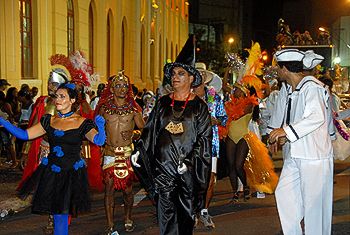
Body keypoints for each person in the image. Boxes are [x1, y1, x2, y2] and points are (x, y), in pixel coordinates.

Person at [131, 35, 212, 235]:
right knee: (165, 215)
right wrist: (140, 151)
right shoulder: (163, 102)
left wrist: (190, 162)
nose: (175, 77)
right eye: (174, 73)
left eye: (181, 73)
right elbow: (150, 130)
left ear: (191, 78)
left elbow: (204, 140)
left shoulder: (199, 107)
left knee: (184, 217)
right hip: (163, 169)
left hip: (186, 172)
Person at [0, 82, 106, 235]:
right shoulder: (48, 120)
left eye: (62, 96)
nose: (57, 99)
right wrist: (4, 123)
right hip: (52, 172)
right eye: (57, 96)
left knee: (62, 214)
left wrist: (101, 127)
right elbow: (25, 135)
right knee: (58, 214)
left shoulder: (82, 122)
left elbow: (99, 141)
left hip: (71, 173)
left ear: (72, 100)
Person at [268, 49, 334, 235]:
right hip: (296, 154)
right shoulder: (294, 89)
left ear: (285, 69)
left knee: (315, 210)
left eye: (278, 68)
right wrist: (278, 134)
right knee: (284, 195)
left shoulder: (311, 87)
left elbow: (317, 117)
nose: (276, 71)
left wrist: (285, 131)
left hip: (313, 156)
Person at [95, 72, 144, 234]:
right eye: (118, 85)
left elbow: (144, 129)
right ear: (112, 89)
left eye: (124, 85)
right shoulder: (103, 108)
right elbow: (95, 129)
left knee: (128, 191)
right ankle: (109, 223)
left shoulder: (134, 108)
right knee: (108, 189)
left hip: (127, 153)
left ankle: (128, 217)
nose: (122, 88)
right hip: (109, 153)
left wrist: (134, 134)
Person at [193, 62, 227, 229]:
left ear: (205, 79)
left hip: (211, 143)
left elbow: (224, 118)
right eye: (196, 75)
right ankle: (192, 212)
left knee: (210, 180)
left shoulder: (215, 97)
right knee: (191, 179)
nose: (198, 79)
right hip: (190, 145)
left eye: (201, 76)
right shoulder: (186, 96)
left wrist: (216, 120)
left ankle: (204, 211)